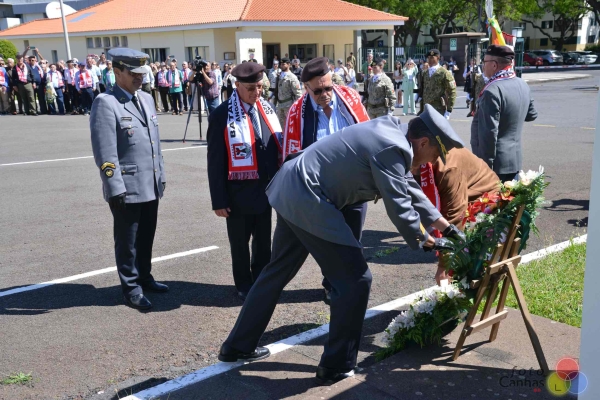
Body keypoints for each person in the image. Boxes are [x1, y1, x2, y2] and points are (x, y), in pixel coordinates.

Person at [218, 108, 465, 384]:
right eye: (435, 154)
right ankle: (337, 365)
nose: (432, 161)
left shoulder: (392, 133)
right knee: (355, 279)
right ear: (424, 143)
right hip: (308, 196)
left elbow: (410, 189)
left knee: (277, 271)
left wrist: (448, 228)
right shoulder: (393, 148)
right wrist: (430, 241)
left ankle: (237, 346)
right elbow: (400, 208)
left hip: (293, 186)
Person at [282, 56, 369, 303]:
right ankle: (332, 284)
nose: (325, 94)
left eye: (328, 88)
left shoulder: (351, 99)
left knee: (353, 239)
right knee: (330, 242)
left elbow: (368, 135)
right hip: (323, 191)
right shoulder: (297, 113)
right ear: (306, 88)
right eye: (318, 91)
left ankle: (352, 283)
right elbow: (291, 157)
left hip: (355, 186)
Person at [90, 48, 167, 310]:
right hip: (127, 186)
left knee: (146, 237)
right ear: (117, 72)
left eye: (141, 73)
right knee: (128, 242)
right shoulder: (106, 103)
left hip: (150, 183)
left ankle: (144, 276)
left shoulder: (146, 98)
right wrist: (113, 186)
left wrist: (161, 175)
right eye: (133, 73)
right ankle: (131, 287)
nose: (139, 78)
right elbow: (105, 151)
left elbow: (155, 144)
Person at [207, 62, 282, 301]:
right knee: (240, 244)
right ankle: (243, 284)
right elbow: (215, 161)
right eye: (250, 88)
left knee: (263, 242)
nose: (256, 92)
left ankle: (260, 280)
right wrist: (219, 199)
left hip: (266, 190)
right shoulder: (221, 115)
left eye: (260, 87)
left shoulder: (267, 109)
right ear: (237, 85)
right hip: (237, 194)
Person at [471, 45, 538, 182]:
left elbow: (489, 134)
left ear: (494, 65)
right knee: (512, 196)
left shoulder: (492, 91)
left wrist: (485, 166)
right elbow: (531, 115)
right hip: (514, 160)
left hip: (495, 165)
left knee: (494, 197)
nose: (483, 66)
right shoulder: (522, 84)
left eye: (484, 62)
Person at [422, 49, 456, 120]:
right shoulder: (425, 73)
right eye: (428, 58)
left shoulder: (444, 73)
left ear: (438, 57)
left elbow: (452, 92)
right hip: (427, 109)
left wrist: (449, 110)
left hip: (439, 109)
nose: (429, 60)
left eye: (432, 58)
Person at [274, 57, 302, 128]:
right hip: (280, 105)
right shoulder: (279, 75)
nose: (281, 66)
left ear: (289, 64)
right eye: (281, 64)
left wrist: (298, 107)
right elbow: (277, 90)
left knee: (290, 125)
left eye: (283, 64)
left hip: (288, 105)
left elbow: (298, 94)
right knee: (281, 126)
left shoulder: (292, 77)